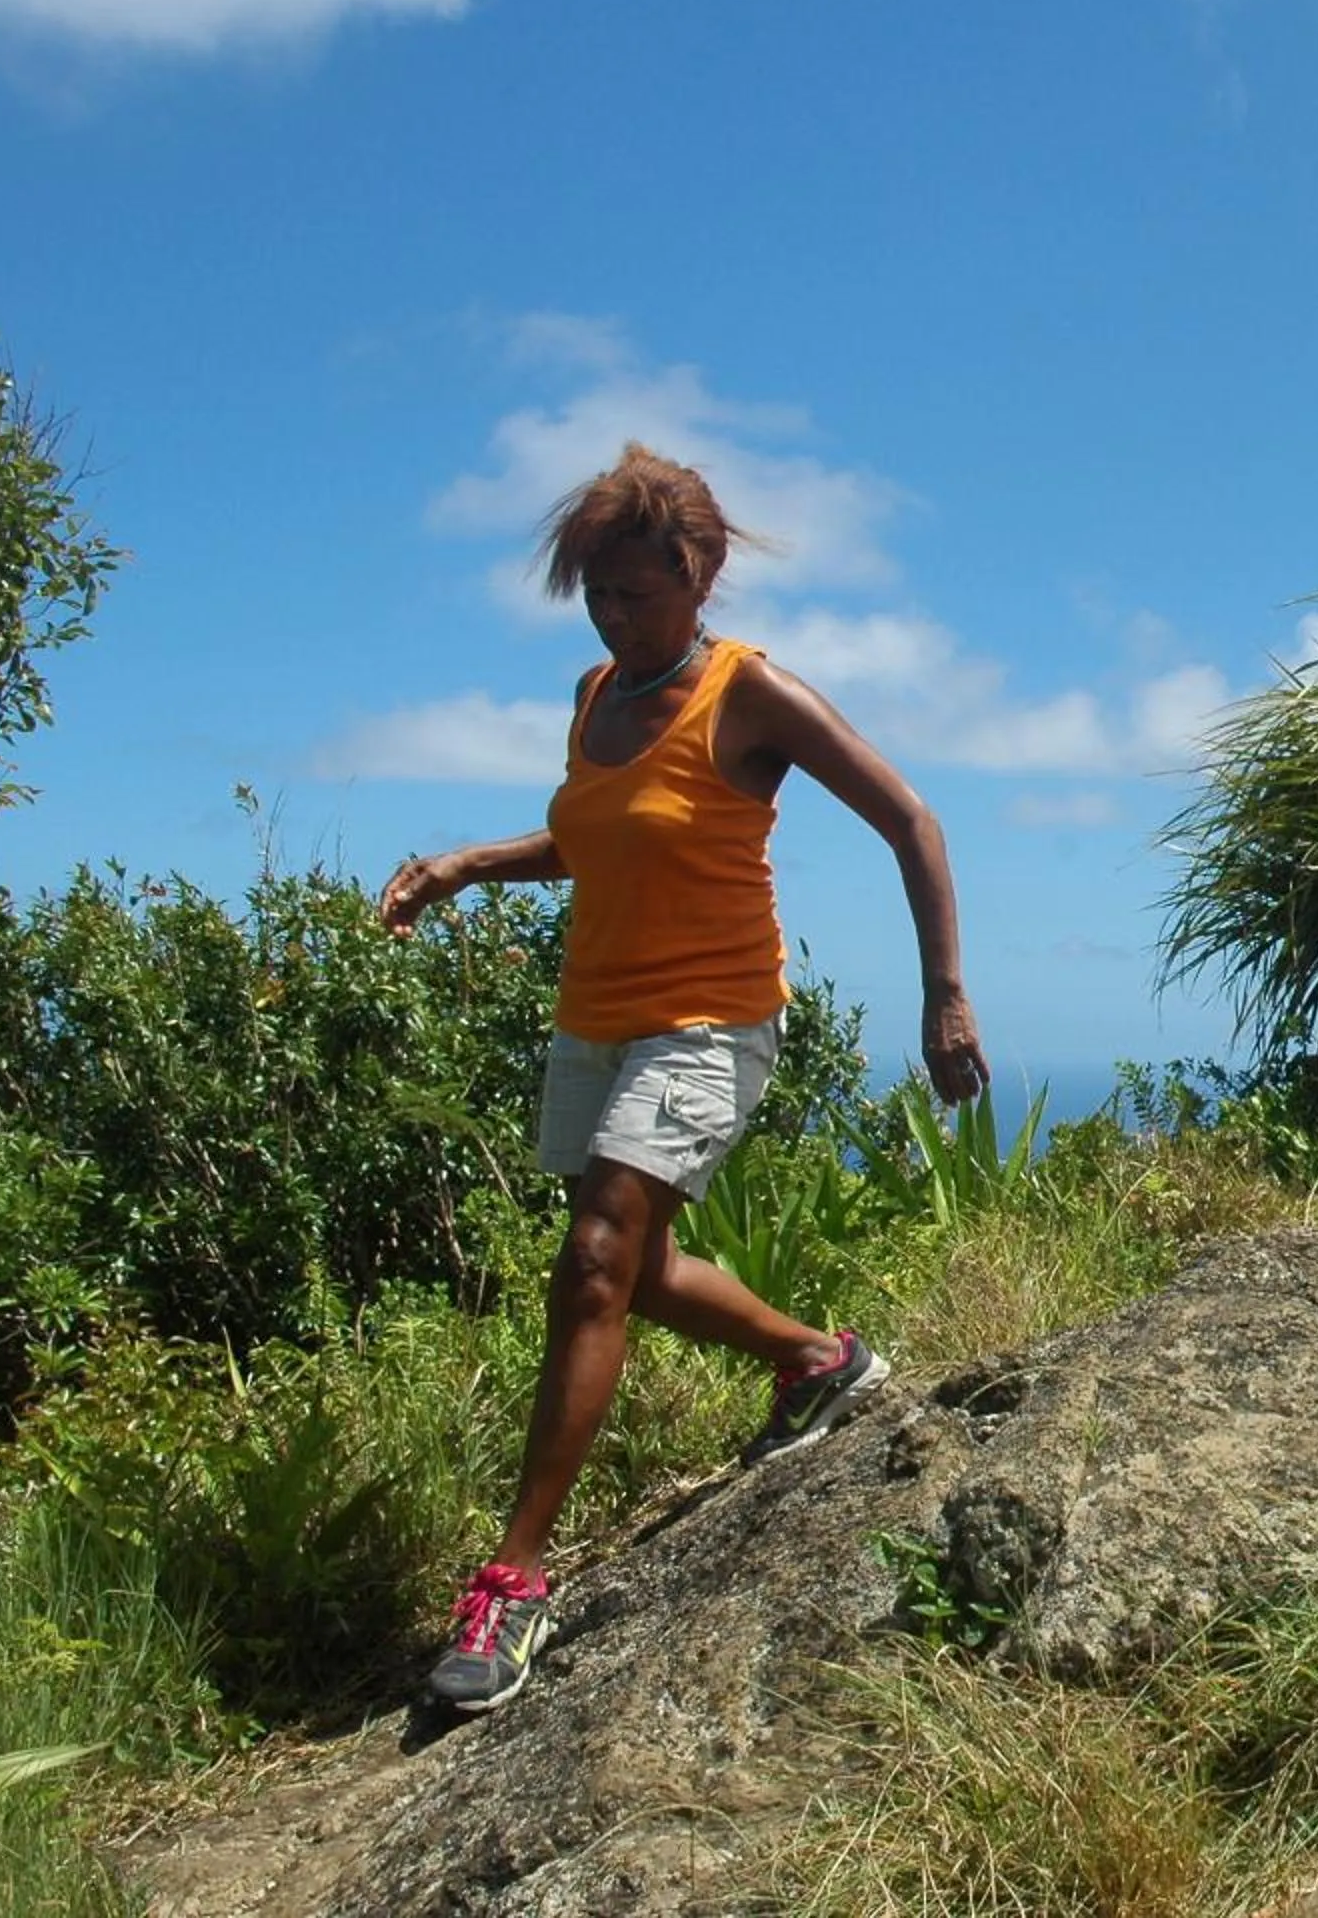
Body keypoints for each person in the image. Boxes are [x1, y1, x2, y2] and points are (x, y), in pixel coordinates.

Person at [377, 443, 988, 1711]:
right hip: (597, 1014)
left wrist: (943, 992)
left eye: (634, 592)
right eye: (596, 594)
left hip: (712, 1019)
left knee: (594, 1257)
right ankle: (820, 1362)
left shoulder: (746, 692)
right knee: (638, 1270)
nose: (613, 614)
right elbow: (592, 835)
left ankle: (515, 1581)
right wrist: (465, 864)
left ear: (697, 573)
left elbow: (910, 819)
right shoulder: (597, 692)